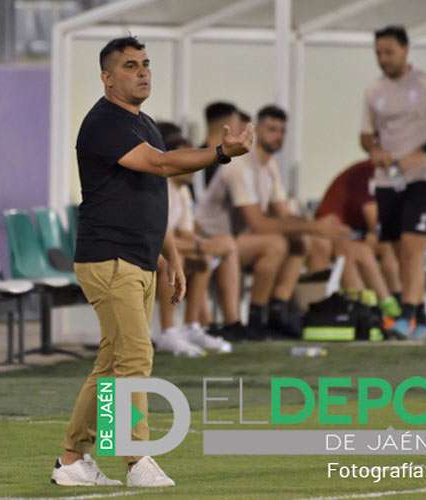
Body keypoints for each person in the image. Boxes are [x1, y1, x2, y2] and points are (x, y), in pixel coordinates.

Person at [52, 36, 252, 488]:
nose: (142, 72)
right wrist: (220, 153)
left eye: (145, 64)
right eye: (129, 66)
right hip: (109, 257)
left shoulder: (144, 124)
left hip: (139, 260)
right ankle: (135, 458)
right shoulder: (103, 124)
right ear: (106, 77)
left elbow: (153, 194)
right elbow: (163, 167)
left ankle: (71, 461)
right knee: (137, 356)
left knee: (111, 363)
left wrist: (173, 258)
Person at [196, 105, 351, 340]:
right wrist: (314, 226)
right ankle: (256, 318)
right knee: (276, 244)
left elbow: (283, 213)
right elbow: (257, 223)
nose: (277, 135)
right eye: (271, 129)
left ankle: (278, 310)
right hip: (210, 239)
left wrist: (318, 227)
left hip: (236, 239)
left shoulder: (269, 165)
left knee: (303, 241)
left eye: (281, 131)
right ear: (257, 129)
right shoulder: (239, 166)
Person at [360, 25, 426, 339]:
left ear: (405, 50)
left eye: (389, 52)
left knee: (413, 243)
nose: (383, 59)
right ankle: (419, 314)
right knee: (397, 249)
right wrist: (374, 151)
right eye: (378, 53)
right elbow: (365, 134)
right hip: (387, 181)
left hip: (422, 178)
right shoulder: (374, 91)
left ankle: (406, 317)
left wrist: (423, 152)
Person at [153, 125, 239, 357]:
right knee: (175, 258)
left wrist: (204, 247)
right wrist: (200, 246)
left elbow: (184, 234)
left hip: (164, 247)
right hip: (141, 248)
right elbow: (157, 234)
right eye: (186, 158)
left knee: (203, 258)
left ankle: (192, 327)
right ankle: (167, 332)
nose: (193, 166)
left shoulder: (183, 192)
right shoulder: (159, 187)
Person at [308, 160, 401, 319]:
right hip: (333, 234)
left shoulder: (390, 175)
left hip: (353, 234)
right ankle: (368, 308)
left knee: (388, 248)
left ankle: (397, 303)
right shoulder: (365, 172)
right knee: (352, 252)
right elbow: (373, 217)